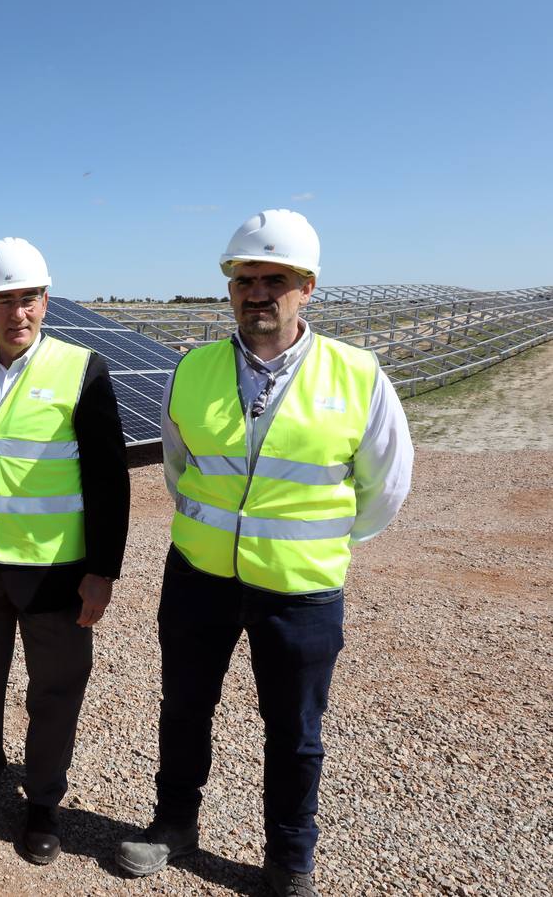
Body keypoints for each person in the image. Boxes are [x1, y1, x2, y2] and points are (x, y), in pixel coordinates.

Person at [115, 210, 413, 897]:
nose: (256, 293)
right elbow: (180, 469)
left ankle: (289, 861)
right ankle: (174, 824)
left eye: (274, 279)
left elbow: (386, 485)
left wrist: (321, 546)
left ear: (307, 287)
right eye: (243, 279)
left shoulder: (357, 375)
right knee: (185, 707)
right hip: (199, 577)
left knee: (295, 731)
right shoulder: (192, 371)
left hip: (300, 590)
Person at [0, 237, 130, 864]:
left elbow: (108, 478)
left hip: (54, 571)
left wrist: (102, 571)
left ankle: (42, 803)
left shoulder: (81, 368)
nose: (19, 312)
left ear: (46, 301)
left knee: (53, 691)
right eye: (5, 300)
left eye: (31, 299)